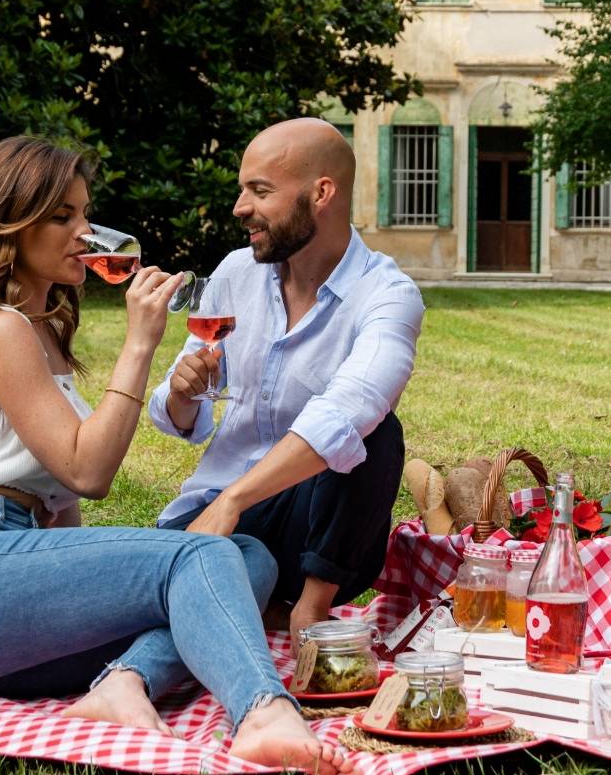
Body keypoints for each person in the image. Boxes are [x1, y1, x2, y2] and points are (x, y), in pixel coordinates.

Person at [0, 135, 355, 775]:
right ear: (10, 224)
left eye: (84, 215)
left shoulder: (40, 330)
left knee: (247, 555)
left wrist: (90, 587)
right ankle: (263, 715)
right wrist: (141, 344)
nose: (84, 234)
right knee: (202, 555)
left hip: (2, 607)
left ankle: (126, 683)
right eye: (62, 218)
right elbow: (90, 471)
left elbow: (64, 500)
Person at [149, 118, 425, 635]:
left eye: (259, 190)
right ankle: (262, 608)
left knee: (377, 432)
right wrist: (185, 393)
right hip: (213, 515)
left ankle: (309, 610)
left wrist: (236, 499)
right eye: (241, 190)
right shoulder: (235, 273)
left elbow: (350, 409)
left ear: (321, 193)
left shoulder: (388, 295)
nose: (239, 208)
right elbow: (179, 412)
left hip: (314, 536)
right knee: (189, 575)